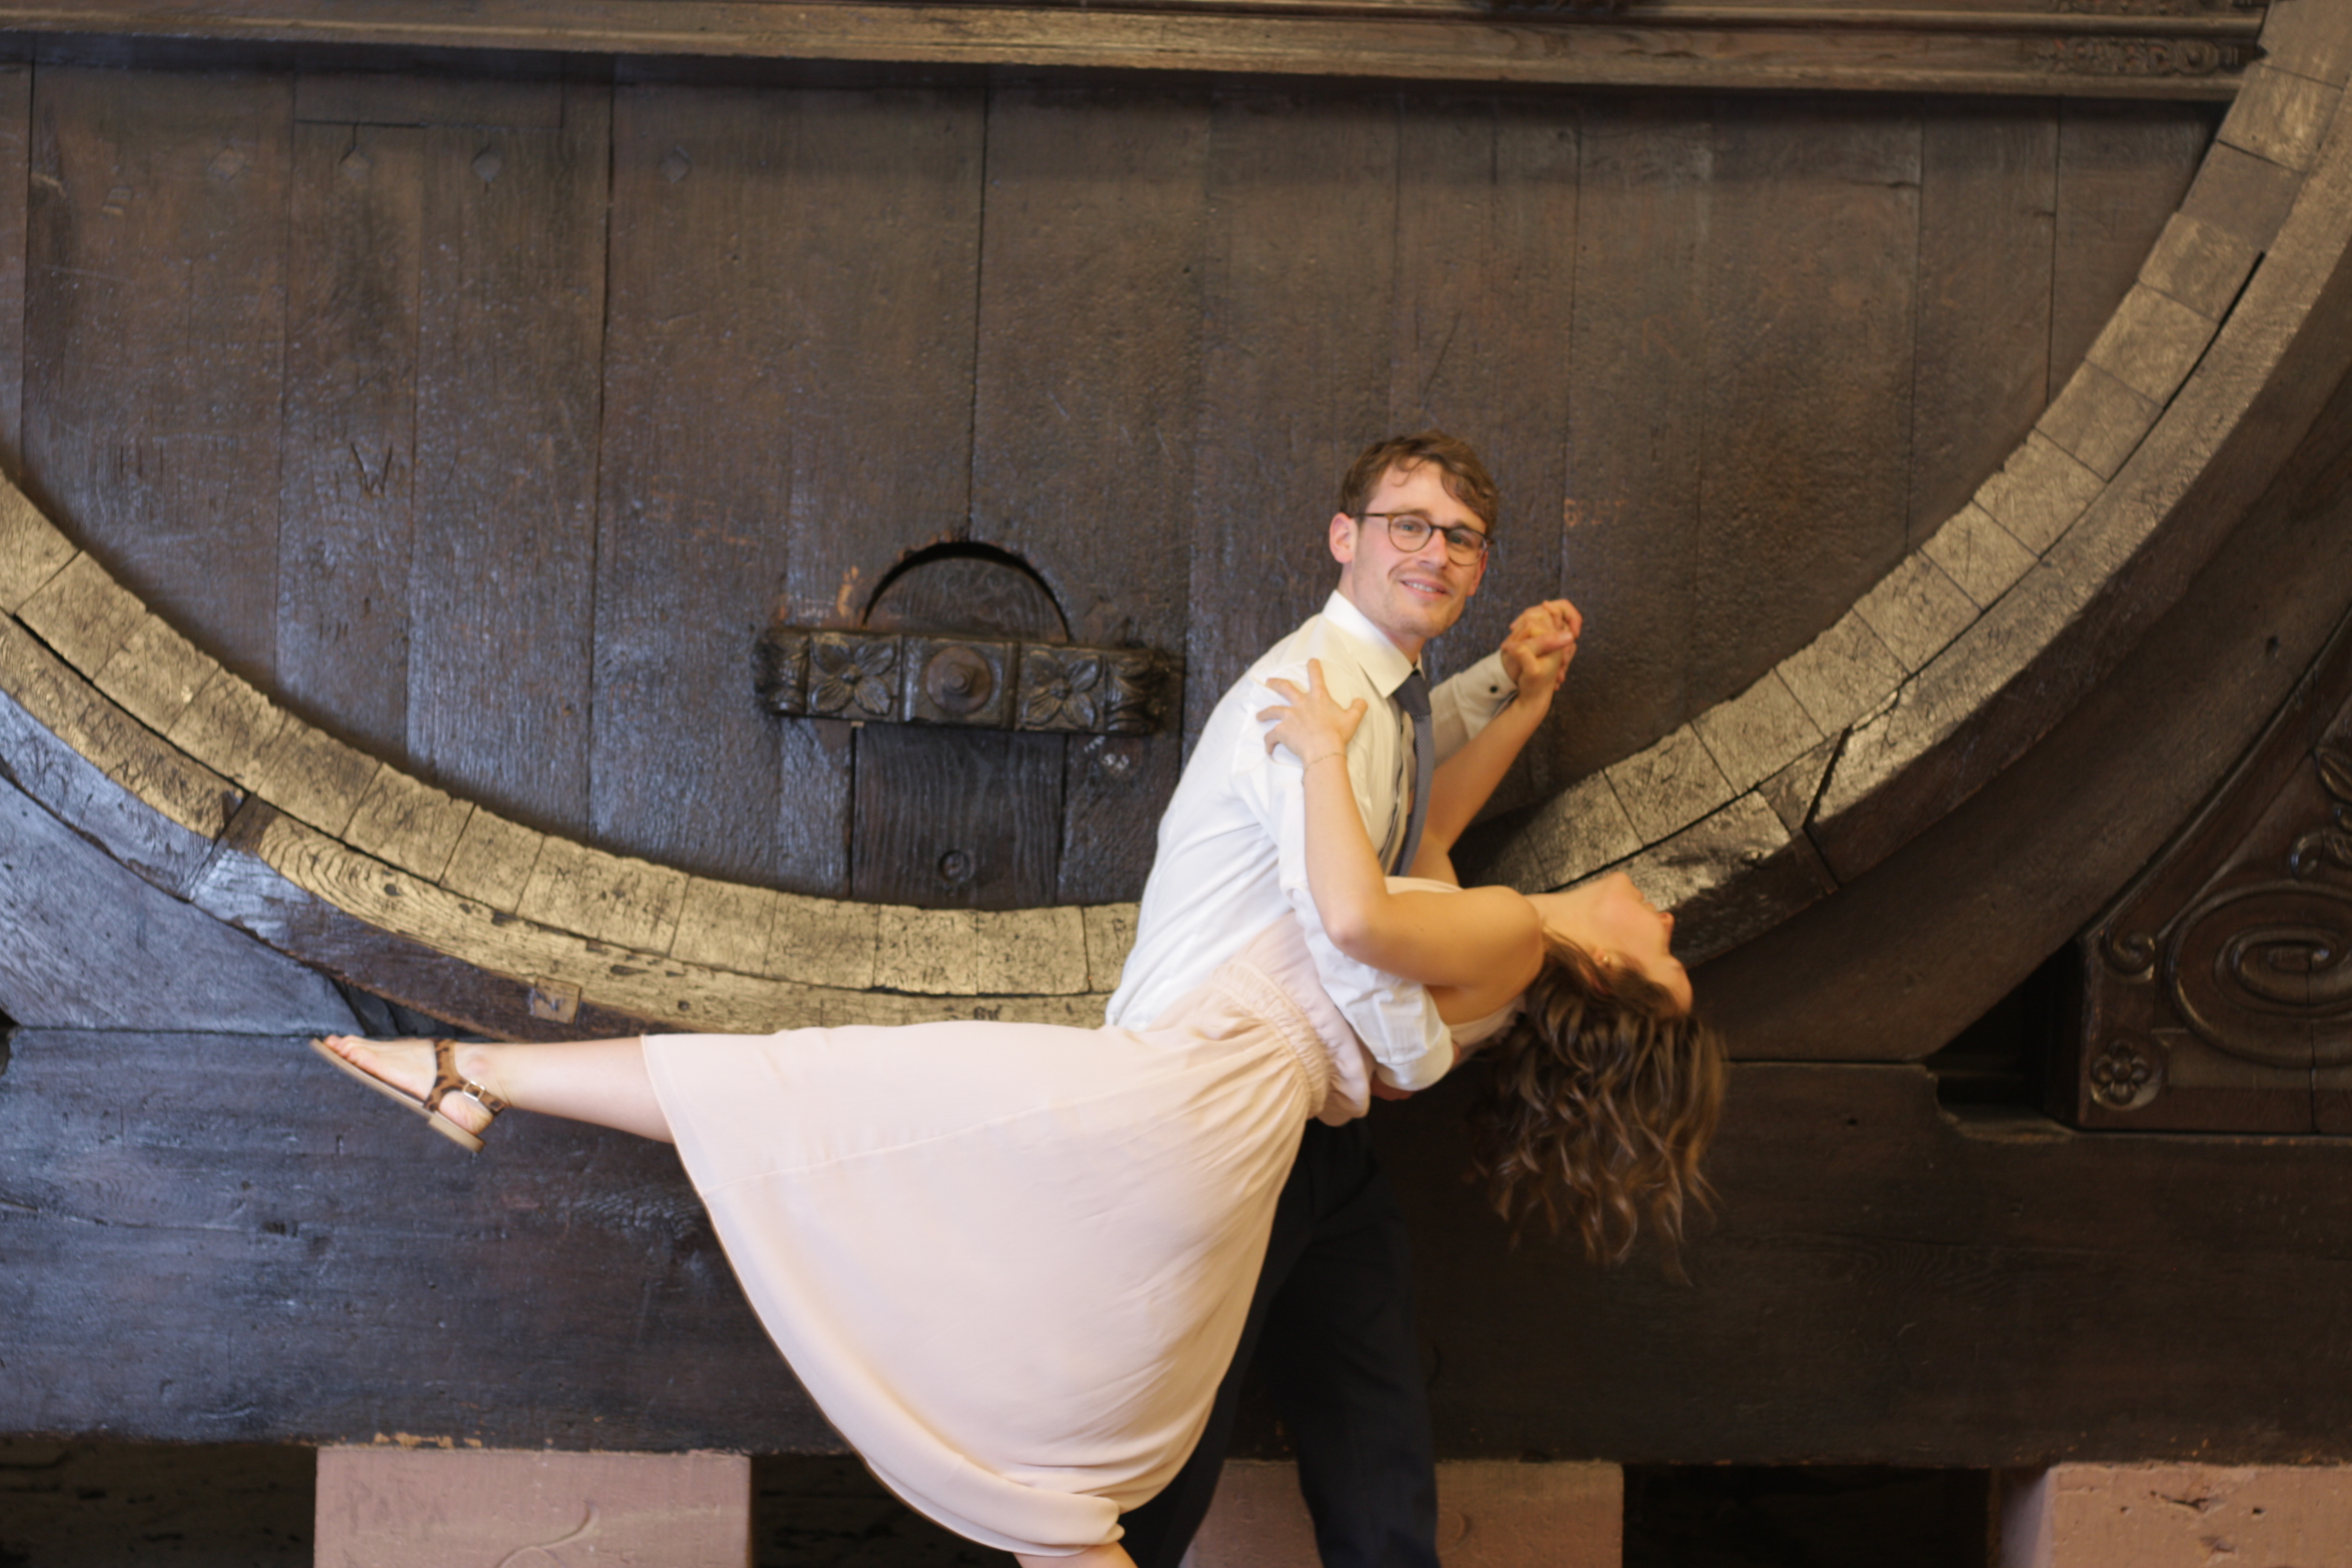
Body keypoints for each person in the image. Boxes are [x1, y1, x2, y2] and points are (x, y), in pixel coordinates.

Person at [309, 665, 1721, 1567]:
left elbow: (1356, 904)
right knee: (1072, 1497)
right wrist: (1517, 705)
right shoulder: (1492, 952)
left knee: (821, 1095)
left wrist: (1314, 747)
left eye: (1667, 956)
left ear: (1613, 979)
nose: (1665, 918)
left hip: (1190, 1105)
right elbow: (1422, 851)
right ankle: (463, 1077)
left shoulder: (1514, 941)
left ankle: (467, 1072)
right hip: (1215, 1127)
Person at [1106, 430, 1583, 1568]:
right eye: (1407, 525)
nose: (1436, 553)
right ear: (1344, 537)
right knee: (1164, 1469)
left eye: (1461, 537)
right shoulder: (1306, 698)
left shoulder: (1376, 696)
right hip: (1216, 1117)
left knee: (1377, 1436)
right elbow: (1344, 922)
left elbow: (1413, 804)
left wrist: (1511, 692)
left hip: (1312, 1119)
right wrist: (1419, 1059)